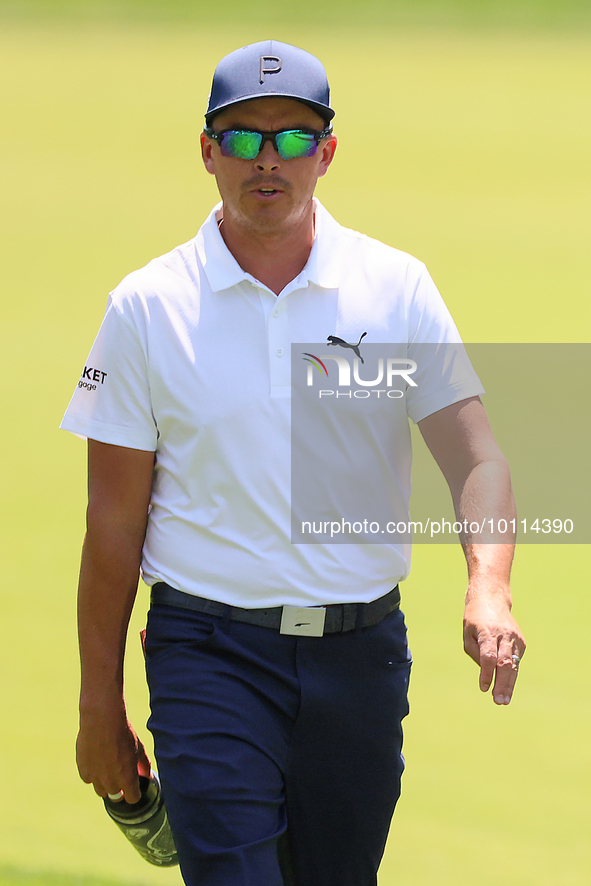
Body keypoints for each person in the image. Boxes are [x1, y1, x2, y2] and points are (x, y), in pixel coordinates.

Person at [61, 40, 526, 886]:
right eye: (241, 138)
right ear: (206, 152)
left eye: (290, 137)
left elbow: (476, 457)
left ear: (327, 152)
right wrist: (100, 704)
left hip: (360, 658)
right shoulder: (146, 307)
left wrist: (485, 582)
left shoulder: (394, 287)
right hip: (208, 653)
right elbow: (113, 522)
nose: (265, 159)